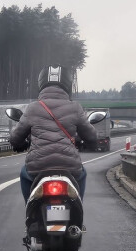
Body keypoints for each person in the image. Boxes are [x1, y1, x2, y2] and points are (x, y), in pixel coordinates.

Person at [9, 65, 97, 203]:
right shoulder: (75, 107)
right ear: (68, 85)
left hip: (37, 166)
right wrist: (90, 143)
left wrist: (20, 144)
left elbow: (15, 138)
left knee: (24, 173)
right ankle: (77, 209)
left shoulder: (33, 108)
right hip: (69, 165)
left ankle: (30, 211)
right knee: (82, 173)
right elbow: (91, 136)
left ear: (41, 83)